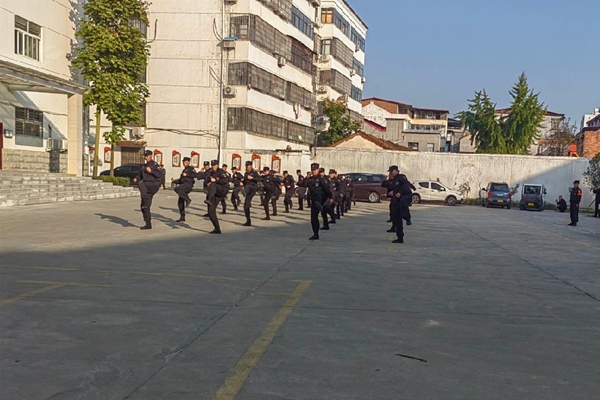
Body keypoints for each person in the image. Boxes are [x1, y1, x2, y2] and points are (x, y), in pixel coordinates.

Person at [133, 150, 162, 230]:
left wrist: (151, 171)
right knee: (144, 206)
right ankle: (148, 223)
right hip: (146, 188)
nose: (145, 157)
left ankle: (148, 223)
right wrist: (136, 178)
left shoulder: (155, 165)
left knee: (141, 184)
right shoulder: (144, 166)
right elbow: (140, 174)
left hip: (152, 185)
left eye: (147, 156)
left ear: (150, 156)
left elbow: (160, 174)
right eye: (145, 156)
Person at [306, 163, 332, 240]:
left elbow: (327, 189)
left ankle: (320, 206)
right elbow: (303, 184)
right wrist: (306, 178)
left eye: (315, 170)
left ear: (318, 170)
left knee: (318, 196)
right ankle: (315, 234)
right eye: (312, 170)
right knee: (313, 218)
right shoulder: (310, 179)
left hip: (321, 198)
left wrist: (331, 197)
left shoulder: (321, 179)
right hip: (313, 200)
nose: (313, 171)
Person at [389, 166, 413, 243]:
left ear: (396, 171)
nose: (391, 173)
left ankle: (407, 218)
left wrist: (400, 192)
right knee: (397, 218)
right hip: (397, 200)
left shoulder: (401, 177)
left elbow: (406, 185)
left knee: (403, 202)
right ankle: (400, 238)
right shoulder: (393, 180)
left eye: (392, 171)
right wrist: (392, 192)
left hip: (405, 196)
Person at [206, 160, 229, 234]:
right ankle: (217, 228)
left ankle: (209, 199)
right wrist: (208, 182)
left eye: (215, 165)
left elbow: (225, 181)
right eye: (212, 165)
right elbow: (207, 179)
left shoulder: (221, 172)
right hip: (216, 193)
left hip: (222, 190)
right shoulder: (211, 172)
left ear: (217, 165)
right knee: (211, 211)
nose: (213, 167)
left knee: (213, 184)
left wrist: (216, 180)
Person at [172, 157, 196, 222]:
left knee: (177, 189)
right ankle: (182, 216)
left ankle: (187, 199)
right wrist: (174, 181)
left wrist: (187, 174)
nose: (184, 163)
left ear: (188, 162)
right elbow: (181, 180)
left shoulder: (191, 168)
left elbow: (194, 174)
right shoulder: (184, 170)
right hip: (183, 185)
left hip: (188, 184)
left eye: (185, 162)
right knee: (180, 202)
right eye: (183, 162)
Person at [242, 161, 261, 226]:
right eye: (246, 166)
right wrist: (242, 183)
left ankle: (245, 192)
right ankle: (248, 220)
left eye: (248, 166)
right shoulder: (246, 173)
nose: (247, 167)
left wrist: (252, 178)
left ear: (250, 166)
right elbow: (244, 181)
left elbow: (259, 178)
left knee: (248, 187)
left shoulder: (254, 172)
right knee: (246, 205)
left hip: (253, 188)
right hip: (248, 188)